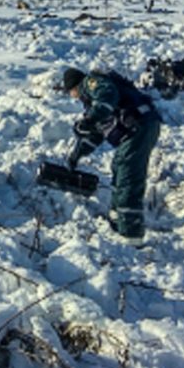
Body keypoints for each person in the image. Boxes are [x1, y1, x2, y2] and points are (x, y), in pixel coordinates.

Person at [62, 67, 161, 245]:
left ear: (74, 87)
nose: (73, 97)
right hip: (137, 130)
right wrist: (75, 156)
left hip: (139, 127)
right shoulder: (94, 104)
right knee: (119, 169)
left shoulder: (91, 83)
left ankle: (132, 238)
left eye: (70, 93)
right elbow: (94, 136)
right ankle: (118, 224)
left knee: (127, 178)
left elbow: (108, 96)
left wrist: (89, 120)